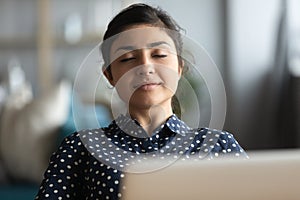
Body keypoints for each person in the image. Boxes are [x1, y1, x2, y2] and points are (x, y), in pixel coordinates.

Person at [35, 3, 247, 200]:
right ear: (110, 75)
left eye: (160, 55)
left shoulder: (219, 146)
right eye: (128, 58)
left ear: (179, 67)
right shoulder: (79, 148)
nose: (145, 66)